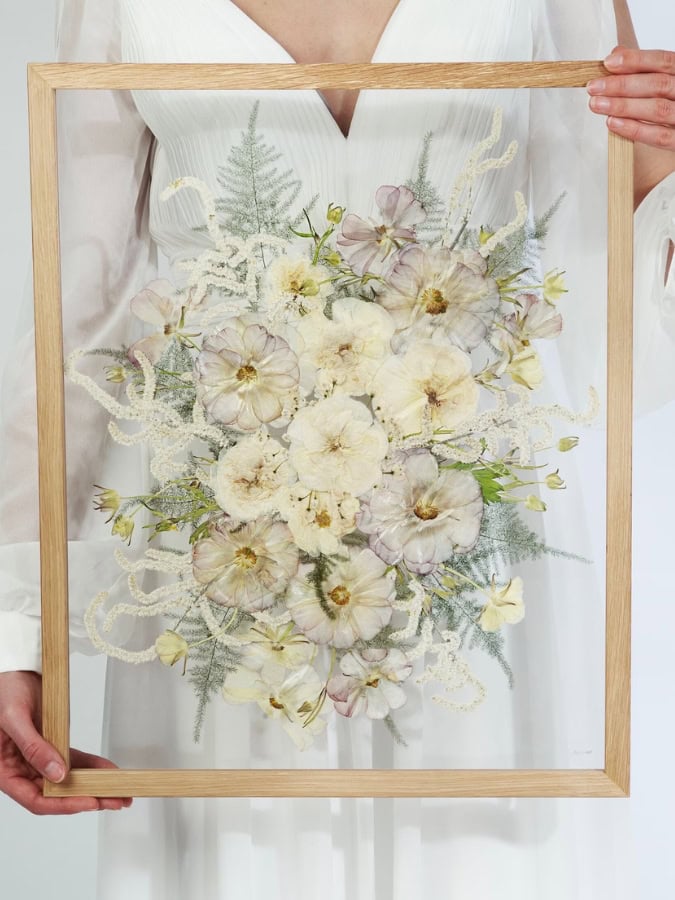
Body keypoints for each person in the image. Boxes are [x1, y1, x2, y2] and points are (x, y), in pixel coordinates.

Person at [0, 0, 673, 896]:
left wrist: (664, 173)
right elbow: (76, 306)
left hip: (467, 529)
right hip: (223, 532)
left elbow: (600, 295)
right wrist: (14, 627)